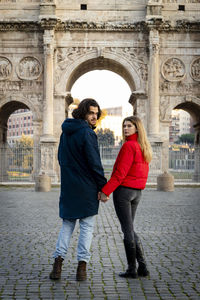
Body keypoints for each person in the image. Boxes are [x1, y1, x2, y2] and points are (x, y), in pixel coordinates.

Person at [50, 98, 108, 281]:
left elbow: (61, 158)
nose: (94, 117)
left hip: (69, 187)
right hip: (86, 188)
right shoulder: (87, 134)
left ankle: (57, 266)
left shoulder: (65, 132)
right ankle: (81, 269)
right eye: (91, 113)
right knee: (87, 228)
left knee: (67, 226)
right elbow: (95, 164)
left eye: (96, 114)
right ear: (83, 112)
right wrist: (102, 187)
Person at [99, 116, 152, 278]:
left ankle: (132, 269)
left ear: (137, 128)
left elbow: (120, 174)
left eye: (129, 126)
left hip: (124, 192)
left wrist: (105, 191)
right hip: (137, 193)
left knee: (127, 230)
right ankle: (142, 267)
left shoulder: (129, 146)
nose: (125, 129)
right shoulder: (143, 147)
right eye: (124, 126)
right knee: (129, 228)